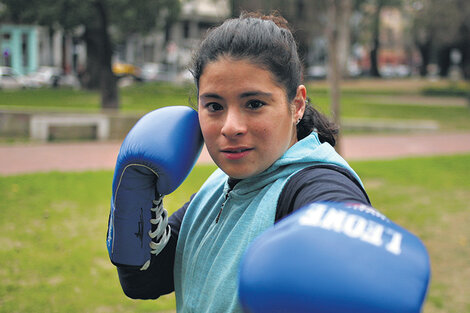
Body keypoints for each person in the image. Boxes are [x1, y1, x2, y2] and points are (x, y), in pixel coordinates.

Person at [116, 12, 370, 312]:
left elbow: (334, 206)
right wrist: (136, 201)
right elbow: (145, 281)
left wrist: (356, 243)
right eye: (214, 106)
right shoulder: (219, 186)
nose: (230, 126)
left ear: (297, 104)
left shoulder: (310, 182)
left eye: (254, 104)